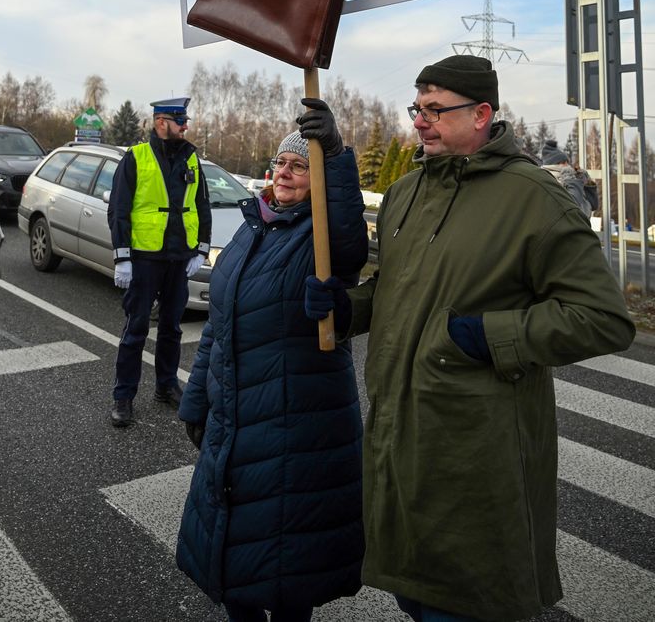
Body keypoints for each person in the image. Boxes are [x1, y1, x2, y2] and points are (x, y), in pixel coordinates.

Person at [305, 55, 635, 622]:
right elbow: (399, 287)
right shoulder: (407, 194)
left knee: (467, 601)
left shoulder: (535, 198)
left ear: (482, 114)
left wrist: (490, 335)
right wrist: (349, 306)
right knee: (412, 588)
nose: (420, 121)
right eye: (418, 108)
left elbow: (603, 317)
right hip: (400, 436)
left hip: (478, 451)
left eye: (436, 110)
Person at [176, 100, 367, 622]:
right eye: (281, 164)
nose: (284, 174)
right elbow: (218, 323)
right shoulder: (252, 225)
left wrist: (335, 152)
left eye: (300, 166)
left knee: (284, 574)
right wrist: (197, 401)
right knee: (235, 567)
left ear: (318, 179)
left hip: (293, 430)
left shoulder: (320, 237)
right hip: (236, 425)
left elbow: (351, 242)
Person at [108, 97, 211, 428]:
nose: (186, 127)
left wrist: (201, 250)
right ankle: (123, 396)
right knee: (136, 328)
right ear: (161, 123)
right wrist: (122, 256)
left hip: (179, 258)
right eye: (181, 121)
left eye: (187, 121)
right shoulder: (136, 158)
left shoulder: (191, 157)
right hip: (144, 258)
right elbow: (119, 209)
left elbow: (202, 206)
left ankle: (166, 386)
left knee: (171, 327)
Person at [540, 138, 595, 216]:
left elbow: (593, 205)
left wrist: (587, 184)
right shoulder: (551, 180)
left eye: (567, 162)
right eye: (563, 162)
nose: (567, 165)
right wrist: (571, 180)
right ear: (554, 164)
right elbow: (573, 205)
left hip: (582, 224)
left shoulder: (569, 178)